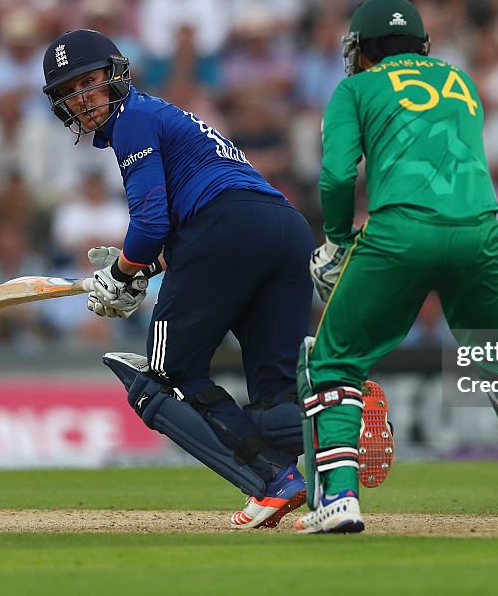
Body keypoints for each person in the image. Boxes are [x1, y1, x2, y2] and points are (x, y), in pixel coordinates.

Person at [297, 0, 498, 534]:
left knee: (334, 365)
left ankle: (338, 497)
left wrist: (338, 241)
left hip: (399, 233)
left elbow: (337, 177)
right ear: (422, 45)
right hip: (480, 231)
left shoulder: (355, 87)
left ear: (361, 50)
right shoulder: (461, 82)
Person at [40, 29, 315, 529]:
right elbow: (196, 223)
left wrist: (121, 274)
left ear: (116, 75)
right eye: (70, 91)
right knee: (276, 394)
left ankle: (275, 481)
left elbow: (151, 224)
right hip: (284, 229)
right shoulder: (163, 115)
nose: (83, 99)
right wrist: (141, 265)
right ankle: (346, 422)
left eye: (90, 82)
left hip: (227, 230)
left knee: (163, 376)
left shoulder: (133, 120)